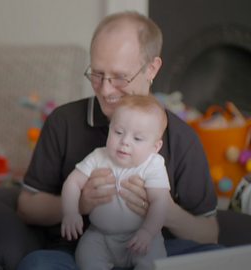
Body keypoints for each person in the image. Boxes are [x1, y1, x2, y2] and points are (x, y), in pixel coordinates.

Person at [17, 11, 220, 270]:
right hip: (78, 252)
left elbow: (209, 233)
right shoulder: (64, 121)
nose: (106, 89)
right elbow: (27, 206)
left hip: (156, 250)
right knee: (37, 265)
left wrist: (166, 211)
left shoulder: (181, 138)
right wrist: (79, 203)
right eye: (97, 74)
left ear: (152, 69)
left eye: (120, 77)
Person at [61, 95, 170, 270]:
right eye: (118, 132)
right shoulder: (99, 156)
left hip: (140, 237)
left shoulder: (153, 165)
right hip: (99, 236)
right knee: (85, 257)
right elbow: (72, 183)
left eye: (138, 138)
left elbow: (160, 201)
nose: (125, 142)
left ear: (155, 147)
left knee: (153, 263)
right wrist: (71, 212)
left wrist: (148, 232)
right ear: (109, 128)